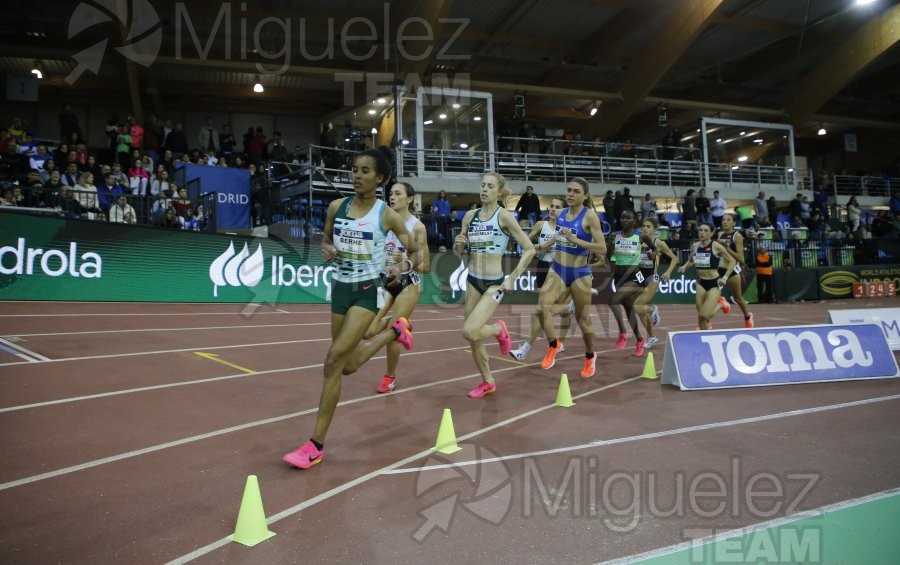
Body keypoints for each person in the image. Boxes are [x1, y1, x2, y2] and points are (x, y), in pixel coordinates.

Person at [283, 147, 423, 469]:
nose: (356, 176)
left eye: (364, 171)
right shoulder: (336, 207)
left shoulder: (386, 215)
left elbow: (415, 252)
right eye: (354, 170)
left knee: (332, 361)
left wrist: (400, 267)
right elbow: (326, 239)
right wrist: (327, 247)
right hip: (340, 290)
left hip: (368, 291)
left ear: (380, 178)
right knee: (344, 366)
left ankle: (315, 445)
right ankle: (393, 332)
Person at [453, 172, 535, 397]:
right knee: (473, 338)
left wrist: (513, 277)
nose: (484, 189)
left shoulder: (505, 217)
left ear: (499, 192)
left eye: (490, 186)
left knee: (470, 330)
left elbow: (530, 249)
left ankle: (499, 329)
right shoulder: (470, 216)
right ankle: (487, 381)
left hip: (494, 283)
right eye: (483, 185)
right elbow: (459, 249)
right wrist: (458, 246)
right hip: (472, 280)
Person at [536, 178, 606, 377]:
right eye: (569, 190)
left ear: (585, 196)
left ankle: (590, 356)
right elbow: (558, 235)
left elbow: (602, 248)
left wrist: (576, 240)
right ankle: (553, 345)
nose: (570, 194)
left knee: (583, 321)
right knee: (542, 308)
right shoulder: (560, 213)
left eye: (576, 191)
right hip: (557, 268)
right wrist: (543, 246)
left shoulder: (590, 216)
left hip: (579, 273)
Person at [366, 181, 430, 394]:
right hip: (386, 280)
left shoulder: (416, 227)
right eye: (390, 193)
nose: (391, 197)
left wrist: (406, 259)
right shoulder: (384, 223)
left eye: (397, 193)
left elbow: (426, 266)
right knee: (368, 331)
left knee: (393, 332)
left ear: (410, 199)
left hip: (408, 283)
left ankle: (389, 377)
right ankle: (402, 325)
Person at [510, 196, 573, 361]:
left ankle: (526, 348)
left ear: (563, 210)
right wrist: (529, 248)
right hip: (543, 267)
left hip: (560, 268)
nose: (553, 209)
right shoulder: (540, 225)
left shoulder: (567, 227)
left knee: (542, 310)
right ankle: (568, 311)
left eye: (557, 207)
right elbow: (526, 241)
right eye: (551, 206)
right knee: (546, 310)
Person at [608, 210, 656, 356]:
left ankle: (623, 332)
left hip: (635, 276)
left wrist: (651, 254)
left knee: (613, 301)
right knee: (629, 310)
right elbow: (609, 257)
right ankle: (640, 339)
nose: (624, 220)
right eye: (622, 218)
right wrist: (610, 244)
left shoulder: (641, 236)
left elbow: (654, 249)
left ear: (634, 221)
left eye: (628, 218)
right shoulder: (615, 235)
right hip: (619, 277)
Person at [677, 222, 737, 330]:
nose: (702, 233)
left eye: (705, 231)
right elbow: (691, 260)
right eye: (700, 230)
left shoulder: (716, 246)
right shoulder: (695, 246)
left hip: (714, 282)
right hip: (700, 282)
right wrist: (685, 266)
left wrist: (725, 277)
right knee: (701, 316)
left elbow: (732, 261)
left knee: (704, 315)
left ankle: (721, 304)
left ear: (711, 233)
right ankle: (704, 336)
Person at [632, 217, 679, 352]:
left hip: (652, 277)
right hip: (638, 276)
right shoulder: (637, 241)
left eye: (648, 226)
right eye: (644, 226)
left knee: (636, 306)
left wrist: (668, 273)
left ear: (654, 229)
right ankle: (652, 337)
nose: (645, 228)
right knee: (640, 311)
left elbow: (674, 258)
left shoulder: (658, 243)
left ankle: (653, 309)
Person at [717, 213, 754, 327]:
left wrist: (727, 249)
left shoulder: (736, 236)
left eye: (728, 220)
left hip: (732, 270)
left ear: (733, 223)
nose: (725, 222)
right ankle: (707, 322)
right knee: (711, 295)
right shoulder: (720, 234)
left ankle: (747, 317)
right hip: (720, 269)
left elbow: (741, 258)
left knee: (738, 298)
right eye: (723, 220)